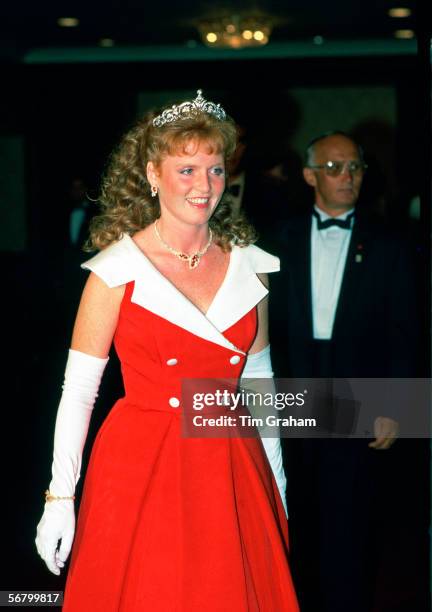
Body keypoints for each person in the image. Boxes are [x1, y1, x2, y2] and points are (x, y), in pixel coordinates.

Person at [35, 90, 299, 611]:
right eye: (186, 170)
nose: (204, 186)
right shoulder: (115, 270)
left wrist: (278, 483)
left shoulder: (252, 265)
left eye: (216, 170)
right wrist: (60, 497)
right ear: (154, 174)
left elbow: (260, 384)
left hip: (231, 461)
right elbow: (79, 392)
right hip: (143, 465)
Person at [270, 131, 428, 611]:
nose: (347, 177)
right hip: (290, 393)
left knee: (350, 528)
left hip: (357, 395)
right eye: (335, 168)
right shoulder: (278, 237)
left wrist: (394, 407)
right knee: (289, 523)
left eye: (355, 167)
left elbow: (406, 334)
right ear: (309, 175)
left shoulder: (391, 244)